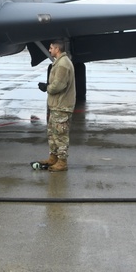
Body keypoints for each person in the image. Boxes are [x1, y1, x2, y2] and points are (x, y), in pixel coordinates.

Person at [37, 38, 76, 172]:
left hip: (62, 106)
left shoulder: (63, 64)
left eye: (51, 48)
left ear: (57, 49)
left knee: (60, 135)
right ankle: (53, 158)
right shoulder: (59, 63)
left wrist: (46, 87)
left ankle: (62, 162)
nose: (49, 50)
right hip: (57, 106)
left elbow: (58, 85)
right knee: (52, 134)